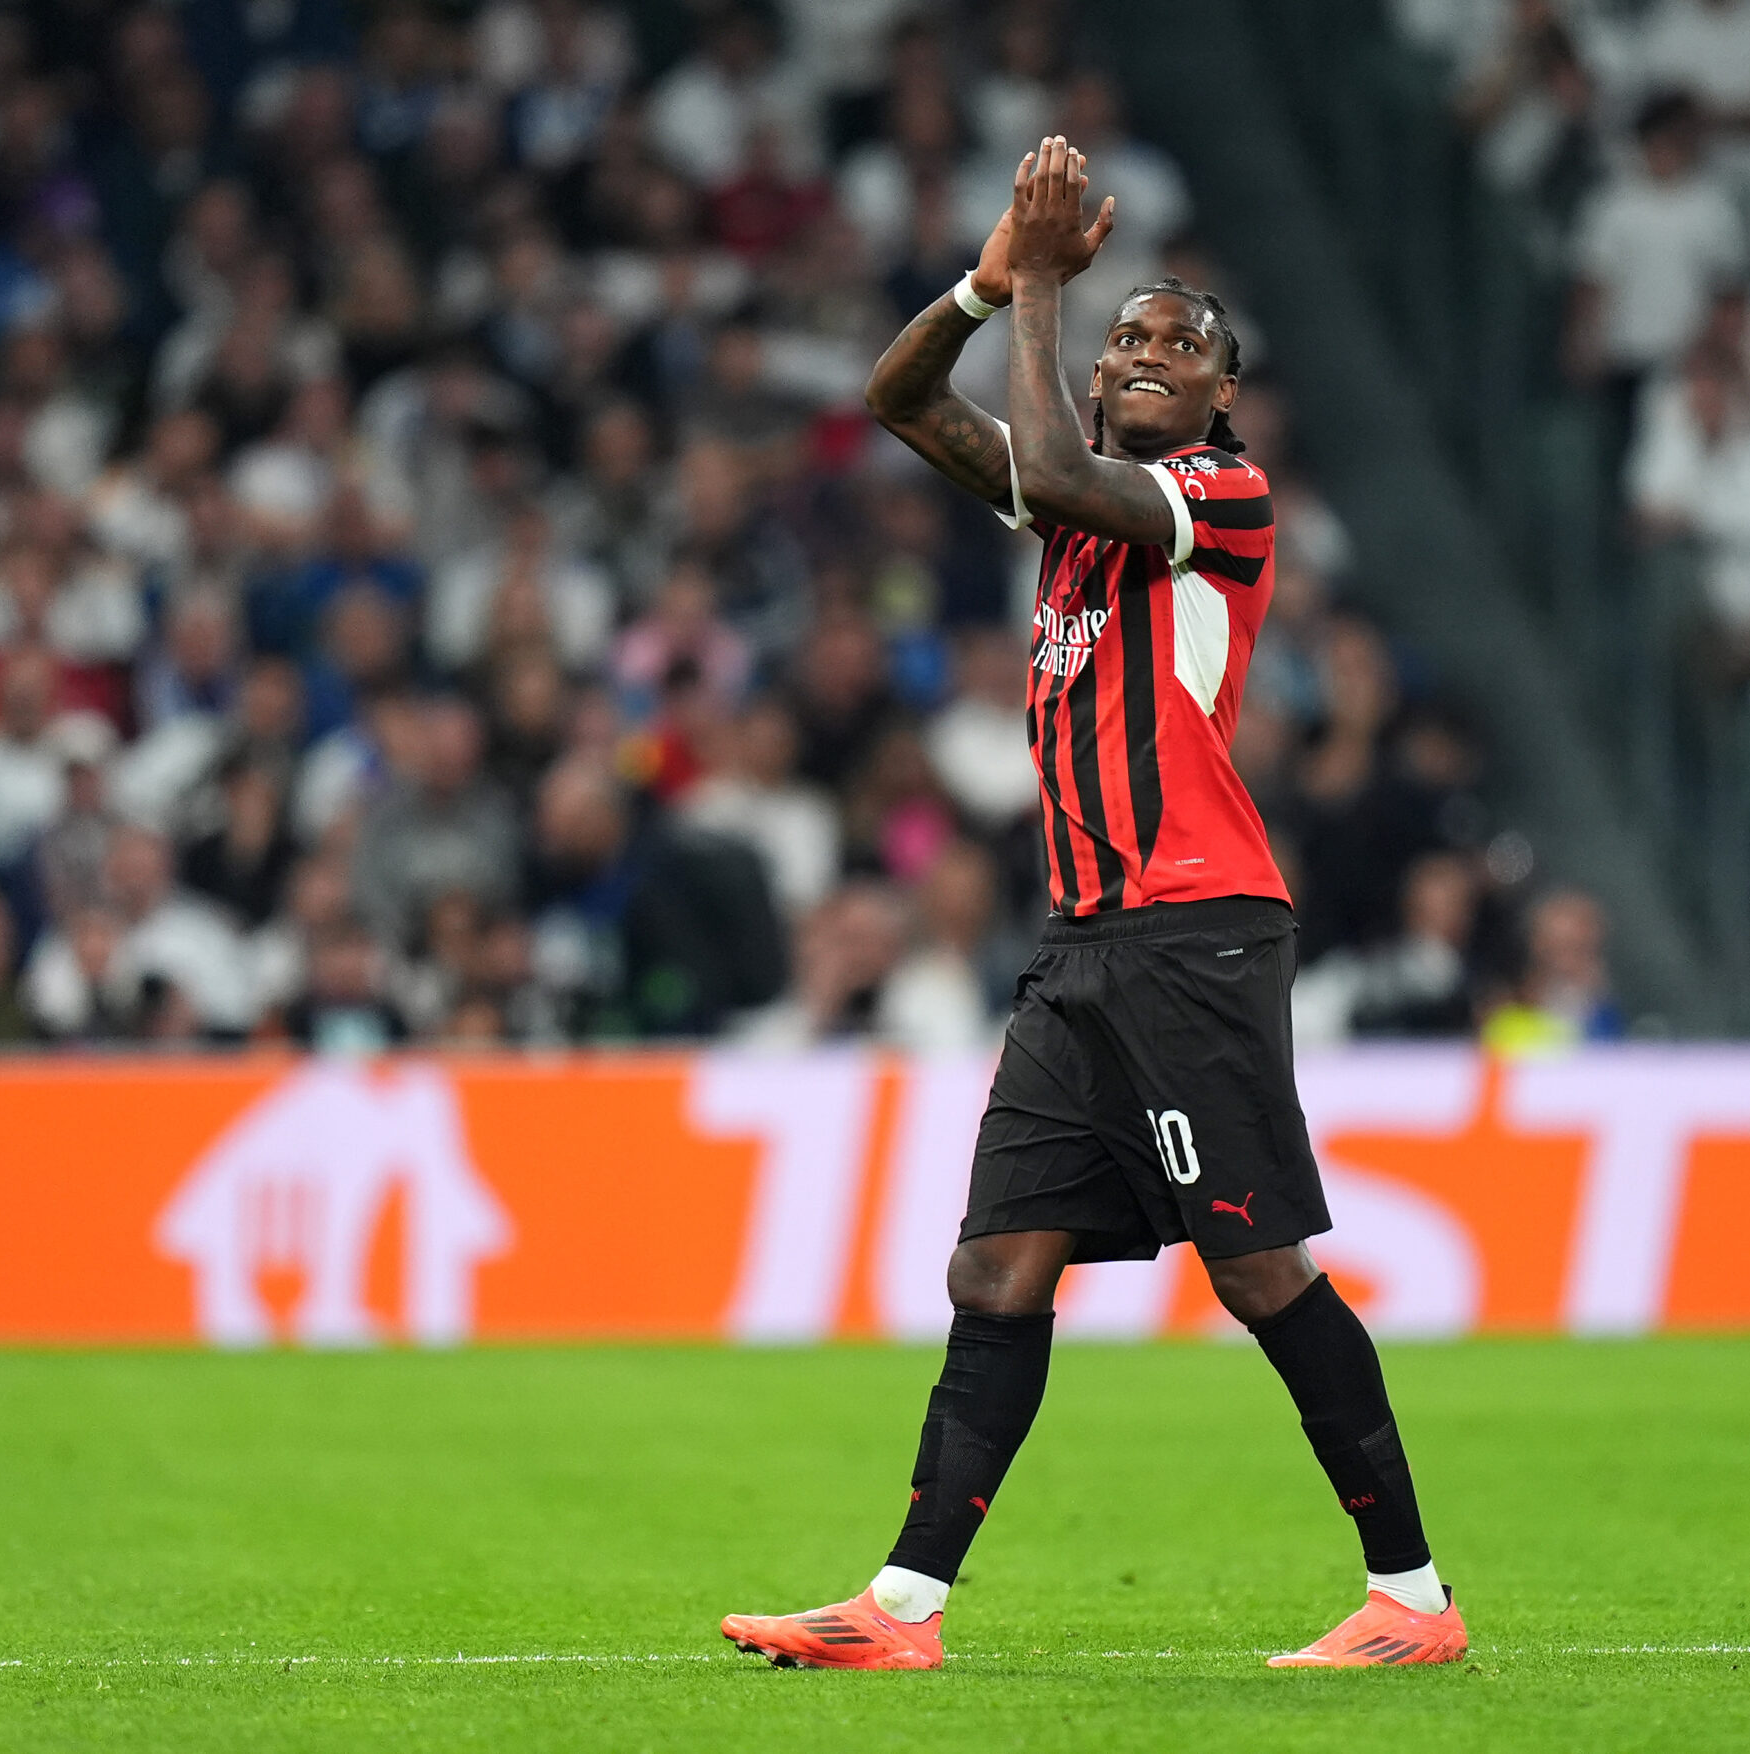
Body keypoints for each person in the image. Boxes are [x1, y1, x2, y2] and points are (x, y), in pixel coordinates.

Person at [717, 138, 1463, 1673]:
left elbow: (1057, 467)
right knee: (996, 1265)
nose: (1142, 353)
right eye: (1128, 334)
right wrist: (985, 284)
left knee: (1258, 1270)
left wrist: (1052, 290)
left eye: (1177, 344)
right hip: (1081, 946)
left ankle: (1413, 1595)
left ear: (1221, 397)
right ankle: (901, 1608)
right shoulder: (1073, 514)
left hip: (1196, 927)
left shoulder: (1220, 498)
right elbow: (899, 403)